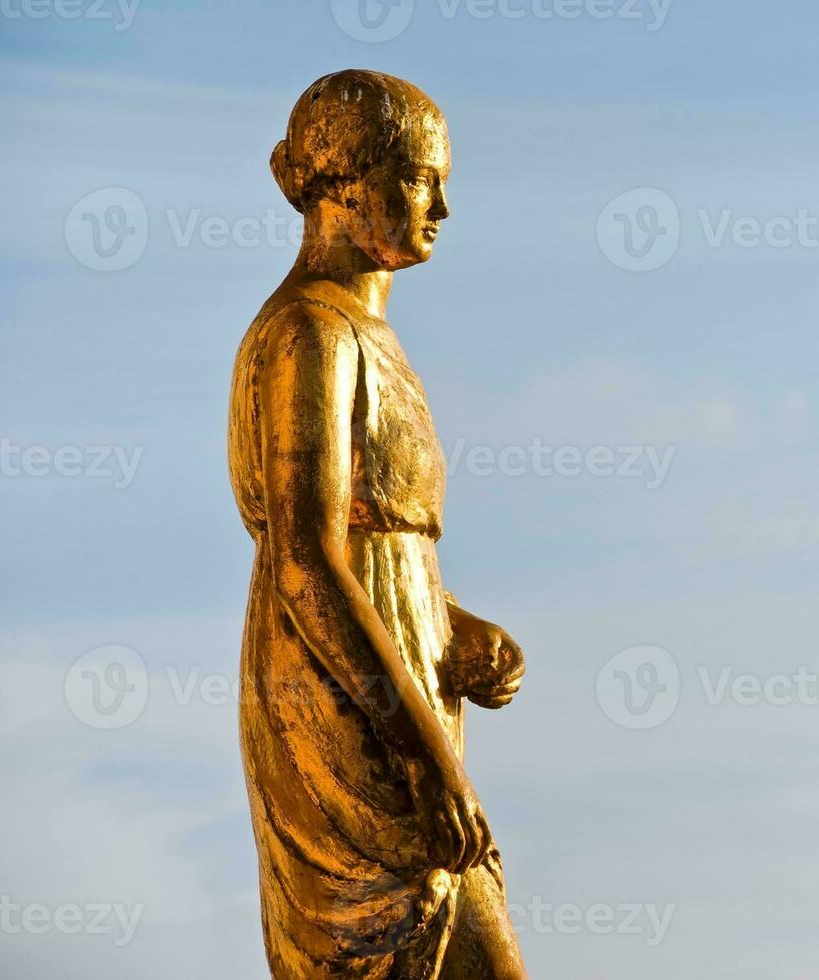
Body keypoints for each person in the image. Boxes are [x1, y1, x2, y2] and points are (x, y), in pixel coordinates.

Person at [227, 69, 527, 979]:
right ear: (346, 183)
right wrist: (429, 762)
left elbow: (382, 543)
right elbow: (309, 564)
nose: (442, 205)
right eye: (419, 177)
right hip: (348, 706)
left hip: (398, 678)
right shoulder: (309, 334)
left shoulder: (370, 337)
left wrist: (453, 625)